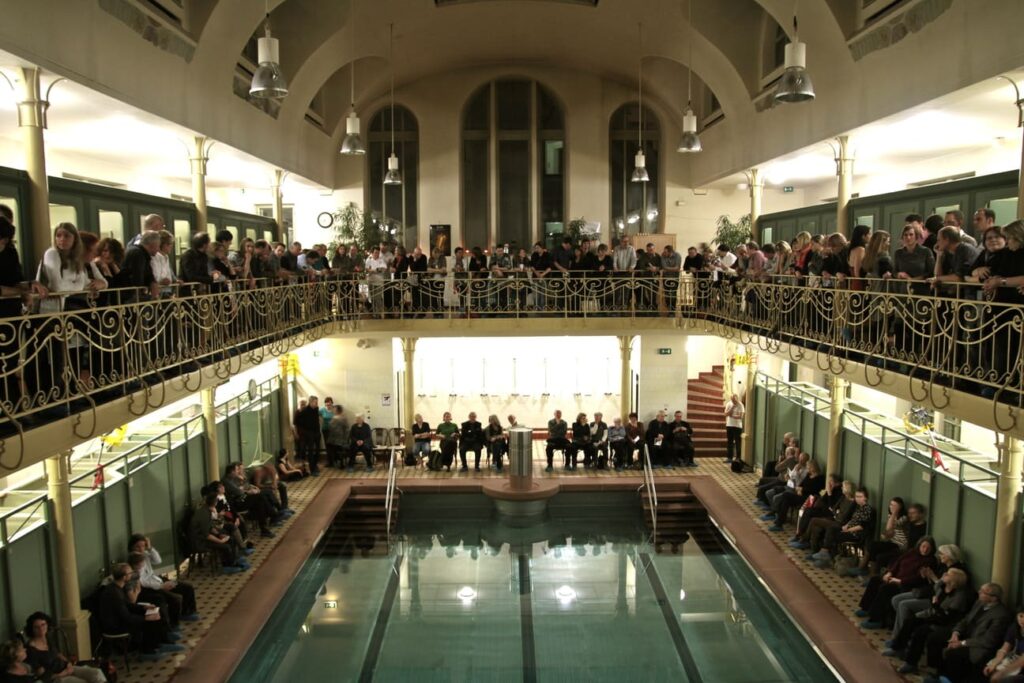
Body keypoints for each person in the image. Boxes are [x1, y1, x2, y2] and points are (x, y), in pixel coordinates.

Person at [925, 583, 1012, 683]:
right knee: (935, 637)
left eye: (983, 592)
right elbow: (966, 620)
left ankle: (949, 679)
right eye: (980, 589)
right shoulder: (979, 603)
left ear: (993, 598)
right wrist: (956, 633)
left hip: (977, 645)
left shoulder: (1001, 615)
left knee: (954, 653)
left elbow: (988, 641)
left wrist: (961, 643)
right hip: (965, 634)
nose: (979, 592)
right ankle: (938, 673)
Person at [98, 563, 180, 660]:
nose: (132, 574)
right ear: (124, 577)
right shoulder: (114, 593)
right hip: (115, 626)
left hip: (121, 619)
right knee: (150, 621)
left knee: (156, 613)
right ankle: (147, 651)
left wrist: (144, 608)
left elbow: (128, 605)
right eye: (130, 573)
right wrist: (145, 618)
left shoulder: (117, 587)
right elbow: (126, 617)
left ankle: (160, 642)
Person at [856, 536, 937, 629]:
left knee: (885, 589)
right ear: (919, 545)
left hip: (906, 584)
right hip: (895, 577)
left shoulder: (930, 561)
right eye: (923, 546)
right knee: (875, 580)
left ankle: (876, 619)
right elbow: (898, 562)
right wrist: (889, 573)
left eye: (928, 548)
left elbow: (917, 579)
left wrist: (900, 581)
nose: (925, 550)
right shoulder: (912, 552)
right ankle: (866, 608)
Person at [128, 533, 199, 626]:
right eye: (138, 547)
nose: (141, 549)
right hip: (150, 587)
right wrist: (161, 586)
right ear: (132, 547)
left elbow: (158, 561)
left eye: (143, 546)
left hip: (157, 580)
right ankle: (173, 625)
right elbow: (143, 581)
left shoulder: (145, 554)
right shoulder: (134, 560)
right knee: (175, 599)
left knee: (187, 587)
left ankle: (187, 612)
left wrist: (150, 548)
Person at [22, 612, 105, 683]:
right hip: (57, 678)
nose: (41, 629)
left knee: (97, 673)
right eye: (36, 627)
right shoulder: (31, 649)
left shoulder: (47, 638)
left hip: (66, 668)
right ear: (31, 629)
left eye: (43, 625)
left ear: (47, 624)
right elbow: (43, 676)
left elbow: (58, 654)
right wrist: (64, 673)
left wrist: (68, 663)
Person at [222, 463, 280, 537]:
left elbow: (243, 487)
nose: (238, 472)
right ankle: (273, 515)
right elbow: (238, 491)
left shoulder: (233, 478)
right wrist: (248, 491)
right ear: (232, 471)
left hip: (242, 498)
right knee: (260, 497)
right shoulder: (226, 481)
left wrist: (247, 488)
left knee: (260, 502)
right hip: (236, 504)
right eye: (237, 470)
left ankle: (265, 527)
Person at [982, 608, 1024, 681]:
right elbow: (1005, 648)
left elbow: (1022, 661)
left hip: (1020, 664)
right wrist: (994, 663)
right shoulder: (1015, 627)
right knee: (990, 669)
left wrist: (1002, 672)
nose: (1022, 620)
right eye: (1021, 616)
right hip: (1013, 658)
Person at [293, 396, 321, 475]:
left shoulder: (316, 409)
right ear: (311, 402)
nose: (317, 404)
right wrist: (301, 432)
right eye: (315, 402)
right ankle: (312, 469)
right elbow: (297, 422)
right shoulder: (304, 411)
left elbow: (316, 420)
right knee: (310, 451)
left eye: (317, 402)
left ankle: (315, 465)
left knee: (318, 450)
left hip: (317, 432)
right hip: (309, 433)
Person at [326, 404, 350, 468]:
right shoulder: (336, 417)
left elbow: (346, 429)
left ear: (338, 410)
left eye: (334, 409)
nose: (333, 410)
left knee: (335, 448)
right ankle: (334, 462)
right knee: (330, 446)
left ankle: (337, 462)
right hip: (334, 438)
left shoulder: (341, 418)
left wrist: (345, 439)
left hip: (339, 439)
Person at [724, 394, 744, 463]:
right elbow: (726, 414)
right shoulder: (729, 404)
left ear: (737, 399)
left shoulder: (741, 405)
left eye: (734, 400)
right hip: (729, 425)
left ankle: (738, 458)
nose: (733, 401)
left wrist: (732, 416)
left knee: (738, 442)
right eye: (732, 400)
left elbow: (741, 416)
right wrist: (732, 407)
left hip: (737, 426)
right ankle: (729, 458)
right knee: (730, 442)